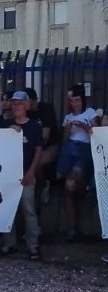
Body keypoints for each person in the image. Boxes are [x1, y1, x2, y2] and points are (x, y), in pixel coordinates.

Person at [0, 91, 43, 260]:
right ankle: (9, 244)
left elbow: (38, 150)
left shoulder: (35, 126)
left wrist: (31, 172)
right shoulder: (4, 124)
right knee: (7, 211)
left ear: (27, 106)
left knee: (29, 210)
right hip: (8, 176)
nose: (17, 106)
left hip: (26, 176)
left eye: (20, 103)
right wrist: (8, 131)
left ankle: (33, 246)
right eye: (14, 103)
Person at [57, 84, 99, 242]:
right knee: (68, 190)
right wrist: (67, 132)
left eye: (77, 100)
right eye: (71, 100)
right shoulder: (67, 117)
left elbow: (97, 136)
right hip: (69, 150)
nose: (74, 103)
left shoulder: (90, 113)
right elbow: (63, 142)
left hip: (84, 150)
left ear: (83, 99)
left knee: (71, 184)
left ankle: (85, 188)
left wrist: (85, 127)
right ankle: (72, 228)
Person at [24, 87, 61, 206]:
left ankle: (45, 185)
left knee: (37, 162)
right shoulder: (24, 111)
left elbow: (45, 137)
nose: (26, 105)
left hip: (50, 145)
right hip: (32, 146)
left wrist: (33, 151)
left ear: (36, 100)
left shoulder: (46, 109)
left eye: (28, 102)